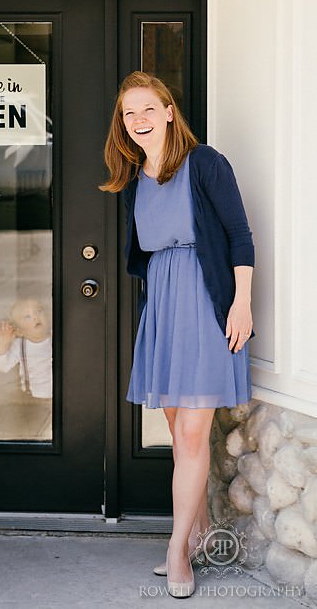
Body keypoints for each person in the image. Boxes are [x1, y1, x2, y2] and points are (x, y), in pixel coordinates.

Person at [101, 71, 253, 599]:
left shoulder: (205, 163)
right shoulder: (134, 178)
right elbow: (145, 254)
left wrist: (241, 304)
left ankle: (176, 550)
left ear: (169, 111)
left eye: (148, 109)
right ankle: (200, 529)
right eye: (129, 114)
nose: (139, 121)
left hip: (205, 302)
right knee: (176, 429)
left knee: (191, 435)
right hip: (162, 308)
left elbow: (239, 235)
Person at [0, 298, 53, 399]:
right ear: (19, 331)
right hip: (32, 398)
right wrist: (3, 344)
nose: (35, 317)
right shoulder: (19, 345)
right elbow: (3, 367)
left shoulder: (55, 337)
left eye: (39, 311)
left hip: (60, 396)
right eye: (27, 317)